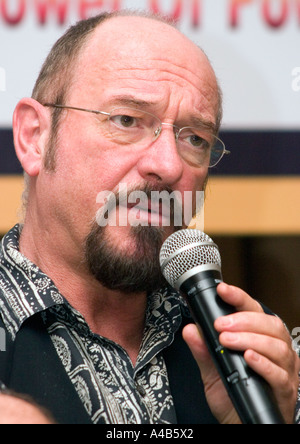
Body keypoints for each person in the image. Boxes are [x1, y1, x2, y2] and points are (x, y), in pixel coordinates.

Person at [0, 10, 299, 424]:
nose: (168, 165)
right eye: (126, 120)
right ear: (34, 138)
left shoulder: (256, 351)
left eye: (195, 138)